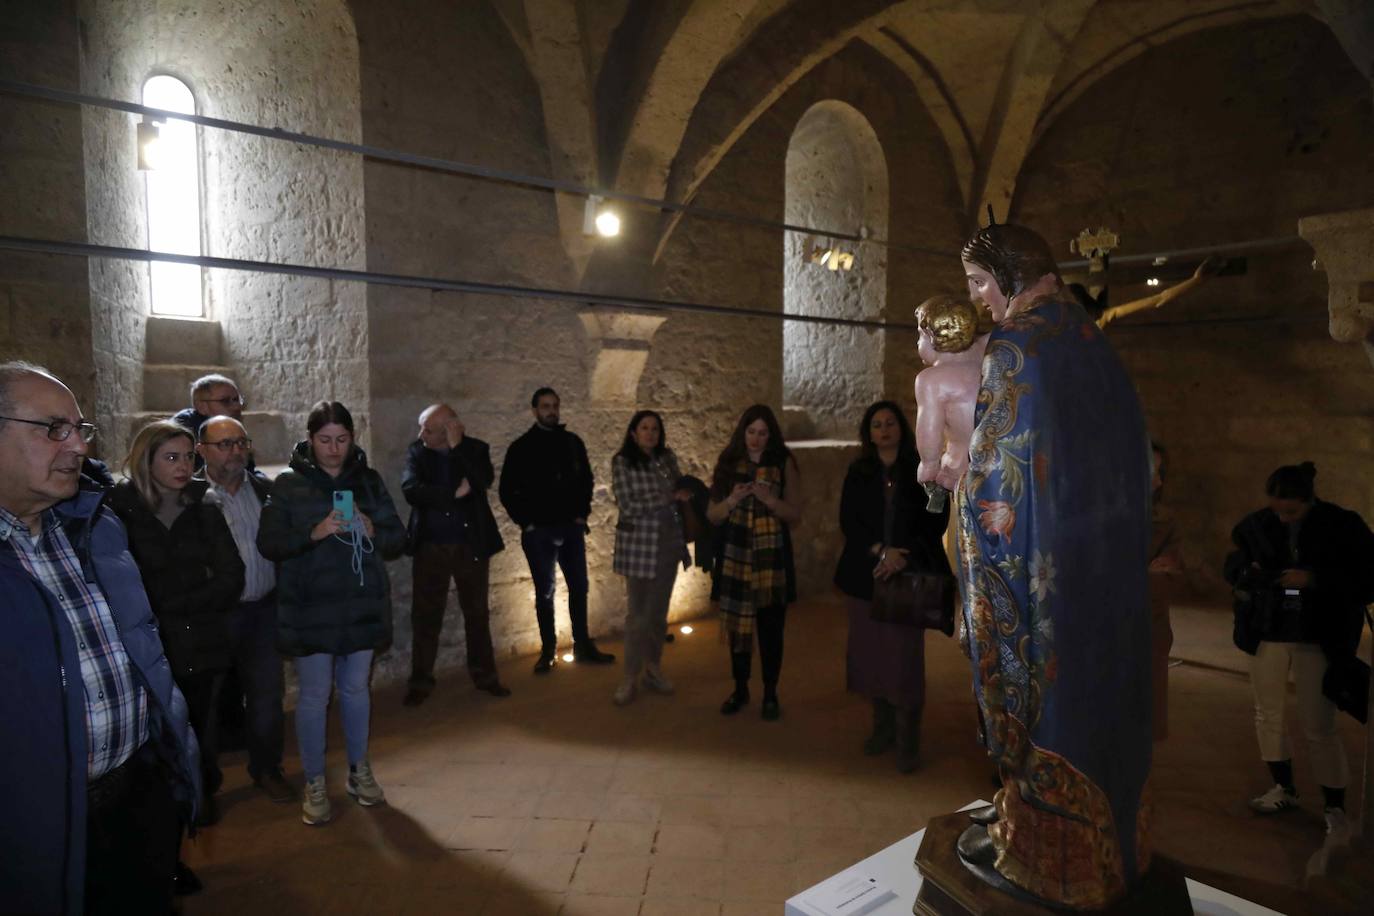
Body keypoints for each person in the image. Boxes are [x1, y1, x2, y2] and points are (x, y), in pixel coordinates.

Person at [954, 223, 1153, 909]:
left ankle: (1045, 858)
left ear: (1008, 275)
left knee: (1050, 708)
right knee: (1104, 697)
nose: (978, 299)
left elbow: (995, 483)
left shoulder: (1019, 345)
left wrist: (956, 496)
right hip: (1101, 570)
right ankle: (1118, 852)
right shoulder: (1091, 339)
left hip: (1044, 575)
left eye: (980, 283)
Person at [0, 361, 199, 916]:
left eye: (81, 429)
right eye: (52, 428)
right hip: (38, 822)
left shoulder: (94, 524)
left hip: (137, 792)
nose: (77, 448)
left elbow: (141, 650)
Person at [257, 400, 406, 827]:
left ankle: (360, 771)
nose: (334, 449)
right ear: (309, 438)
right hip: (310, 606)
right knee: (314, 696)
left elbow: (398, 538)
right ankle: (316, 781)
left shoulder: (370, 481)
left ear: (353, 439)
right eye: (325, 440)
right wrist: (315, 532)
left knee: (357, 690)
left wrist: (374, 530)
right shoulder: (286, 484)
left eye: (342, 439)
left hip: (360, 605)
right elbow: (270, 543)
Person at [1223, 461, 1374, 847]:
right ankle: (1283, 787)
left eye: (1291, 510)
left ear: (1309, 500)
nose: (1282, 516)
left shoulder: (1343, 525)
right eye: (1276, 508)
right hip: (1267, 630)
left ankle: (1334, 806)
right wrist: (1248, 571)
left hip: (1318, 634)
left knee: (1318, 723)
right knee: (1267, 712)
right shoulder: (1257, 524)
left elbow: (1367, 575)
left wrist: (1314, 579)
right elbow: (1233, 562)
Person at [108, 420, 245, 826]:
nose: (183, 466)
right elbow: (119, 582)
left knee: (200, 731)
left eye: (188, 456)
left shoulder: (204, 509)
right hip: (146, 646)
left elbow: (230, 577)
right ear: (146, 461)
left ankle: (197, 806)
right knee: (150, 744)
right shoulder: (120, 512)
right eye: (171, 457)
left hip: (202, 645)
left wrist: (172, 603)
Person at [835, 401, 950, 772]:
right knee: (870, 655)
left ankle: (908, 741)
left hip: (908, 575)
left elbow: (936, 520)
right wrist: (881, 552)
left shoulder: (923, 471)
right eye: (876, 425)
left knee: (904, 659)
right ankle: (881, 728)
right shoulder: (859, 471)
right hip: (867, 574)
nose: (883, 430)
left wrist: (904, 554)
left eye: (889, 423)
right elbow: (849, 521)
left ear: (901, 427)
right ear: (868, 433)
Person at [196, 414, 294, 802]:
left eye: (241, 443)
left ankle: (267, 769)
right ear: (201, 449)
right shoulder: (190, 497)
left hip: (262, 611)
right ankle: (204, 786)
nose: (235, 452)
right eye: (225, 444)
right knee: (207, 702)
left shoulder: (265, 490)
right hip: (214, 617)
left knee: (267, 696)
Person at [401, 403, 510, 705]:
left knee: (476, 614)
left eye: (429, 429)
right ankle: (420, 682)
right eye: (422, 427)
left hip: (470, 544)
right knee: (425, 616)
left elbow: (482, 480)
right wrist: (453, 493)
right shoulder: (417, 452)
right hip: (430, 546)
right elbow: (411, 489)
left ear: (451, 428)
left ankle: (486, 676)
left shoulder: (474, 450)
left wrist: (458, 449)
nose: (421, 434)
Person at [499, 387, 614, 672]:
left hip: (571, 529)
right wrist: (527, 523)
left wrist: (581, 515)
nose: (551, 411)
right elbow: (507, 491)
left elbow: (586, 480)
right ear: (535, 410)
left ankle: (583, 645)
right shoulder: (521, 447)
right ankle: (548, 650)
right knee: (545, 591)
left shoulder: (573, 442)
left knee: (579, 587)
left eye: (555, 406)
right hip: (539, 533)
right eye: (545, 406)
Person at [707, 404, 803, 721]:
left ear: (770, 434)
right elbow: (713, 515)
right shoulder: (728, 463)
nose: (756, 439)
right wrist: (733, 499)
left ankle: (770, 693)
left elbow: (794, 514)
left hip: (771, 560)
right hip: (736, 558)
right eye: (751, 432)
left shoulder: (783, 462)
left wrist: (769, 499)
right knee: (738, 630)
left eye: (762, 433)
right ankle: (740, 688)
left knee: (771, 630)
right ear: (742, 432)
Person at [610, 410, 691, 706]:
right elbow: (628, 504)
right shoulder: (622, 462)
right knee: (638, 617)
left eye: (655, 428)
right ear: (633, 433)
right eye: (644, 428)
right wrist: (668, 497)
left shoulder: (667, 459)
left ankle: (653, 669)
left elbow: (681, 489)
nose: (650, 433)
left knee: (658, 615)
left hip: (668, 545)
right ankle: (629, 676)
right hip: (639, 548)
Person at [1148, 441, 1182, 742]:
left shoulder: (1164, 521)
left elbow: (1172, 569)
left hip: (1150, 627)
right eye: (1151, 470)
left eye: (1161, 472)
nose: (1157, 481)